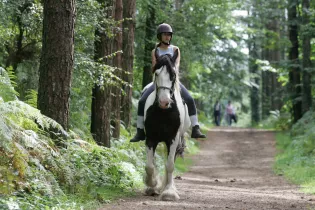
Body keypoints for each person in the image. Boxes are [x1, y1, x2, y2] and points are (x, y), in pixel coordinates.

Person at [130, 23, 206, 142]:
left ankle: (195, 127)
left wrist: (169, 69)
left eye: (169, 35)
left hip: (172, 81)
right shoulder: (154, 51)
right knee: (142, 100)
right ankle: (140, 130)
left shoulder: (175, 50)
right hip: (158, 81)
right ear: (160, 36)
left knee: (190, 99)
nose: (167, 37)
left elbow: (176, 66)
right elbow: (154, 68)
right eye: (165, 35)